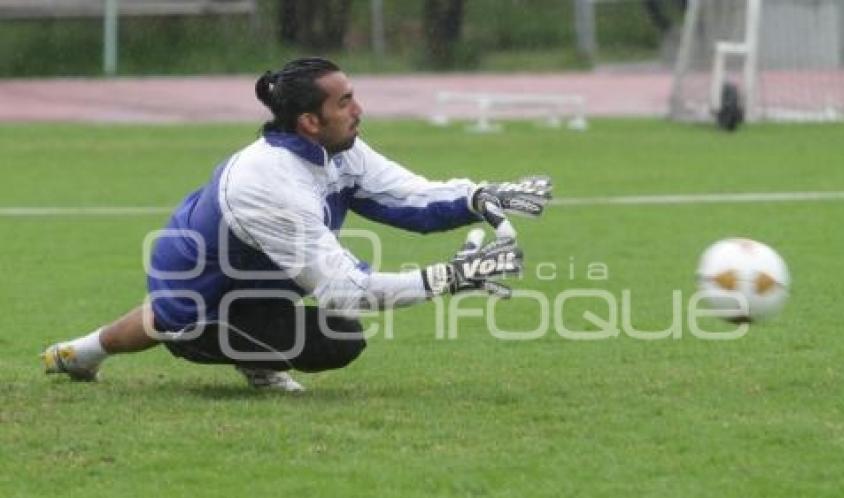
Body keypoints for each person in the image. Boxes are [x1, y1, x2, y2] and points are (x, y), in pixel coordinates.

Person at [41, 57, 552, 392]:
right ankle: (97, 353)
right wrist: (451, 278)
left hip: (241, 274)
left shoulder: (335, 147)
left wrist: (478, 196)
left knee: (294, 319)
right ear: (309, 121)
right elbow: (347, 292)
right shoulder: (272, 184)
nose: (358, 109)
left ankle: (81, 354)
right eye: (344, 101)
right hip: (199, 298)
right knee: (334, 339)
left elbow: (406, 197)